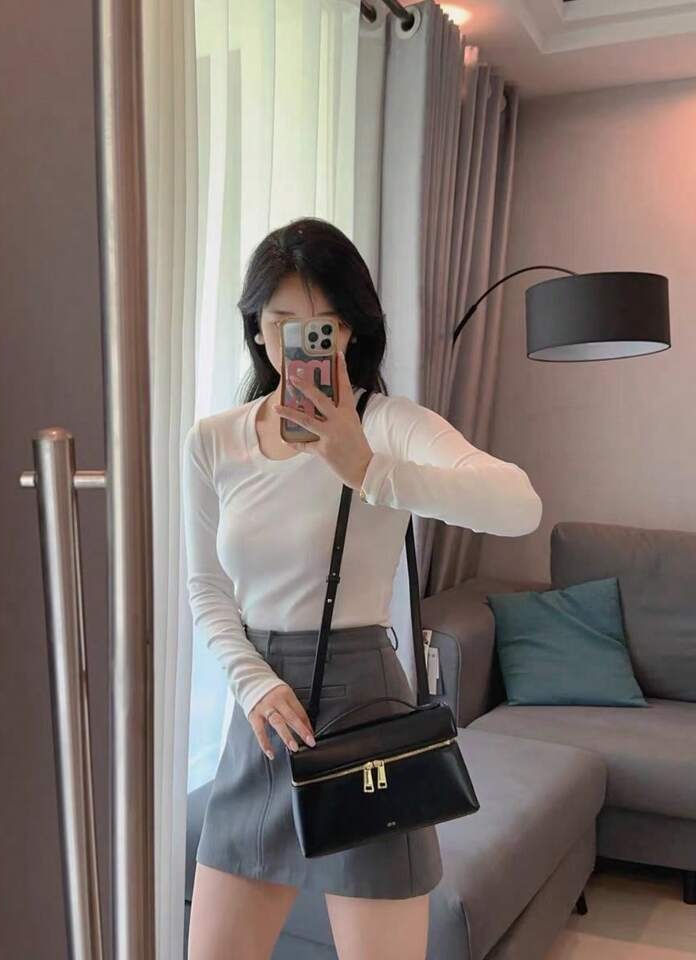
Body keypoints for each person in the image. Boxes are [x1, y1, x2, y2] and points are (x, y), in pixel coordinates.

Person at [183, 217, 543, 960]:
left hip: (364, 708)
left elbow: (519, 505)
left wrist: (368, 468)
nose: (301, 340)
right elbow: (206, 588)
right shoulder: (214, 441)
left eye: (324, 323)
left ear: (349, 331)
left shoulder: (388, 425)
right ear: (256, 328)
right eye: (282, 320)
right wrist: (252, 682)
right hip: (261, 715)